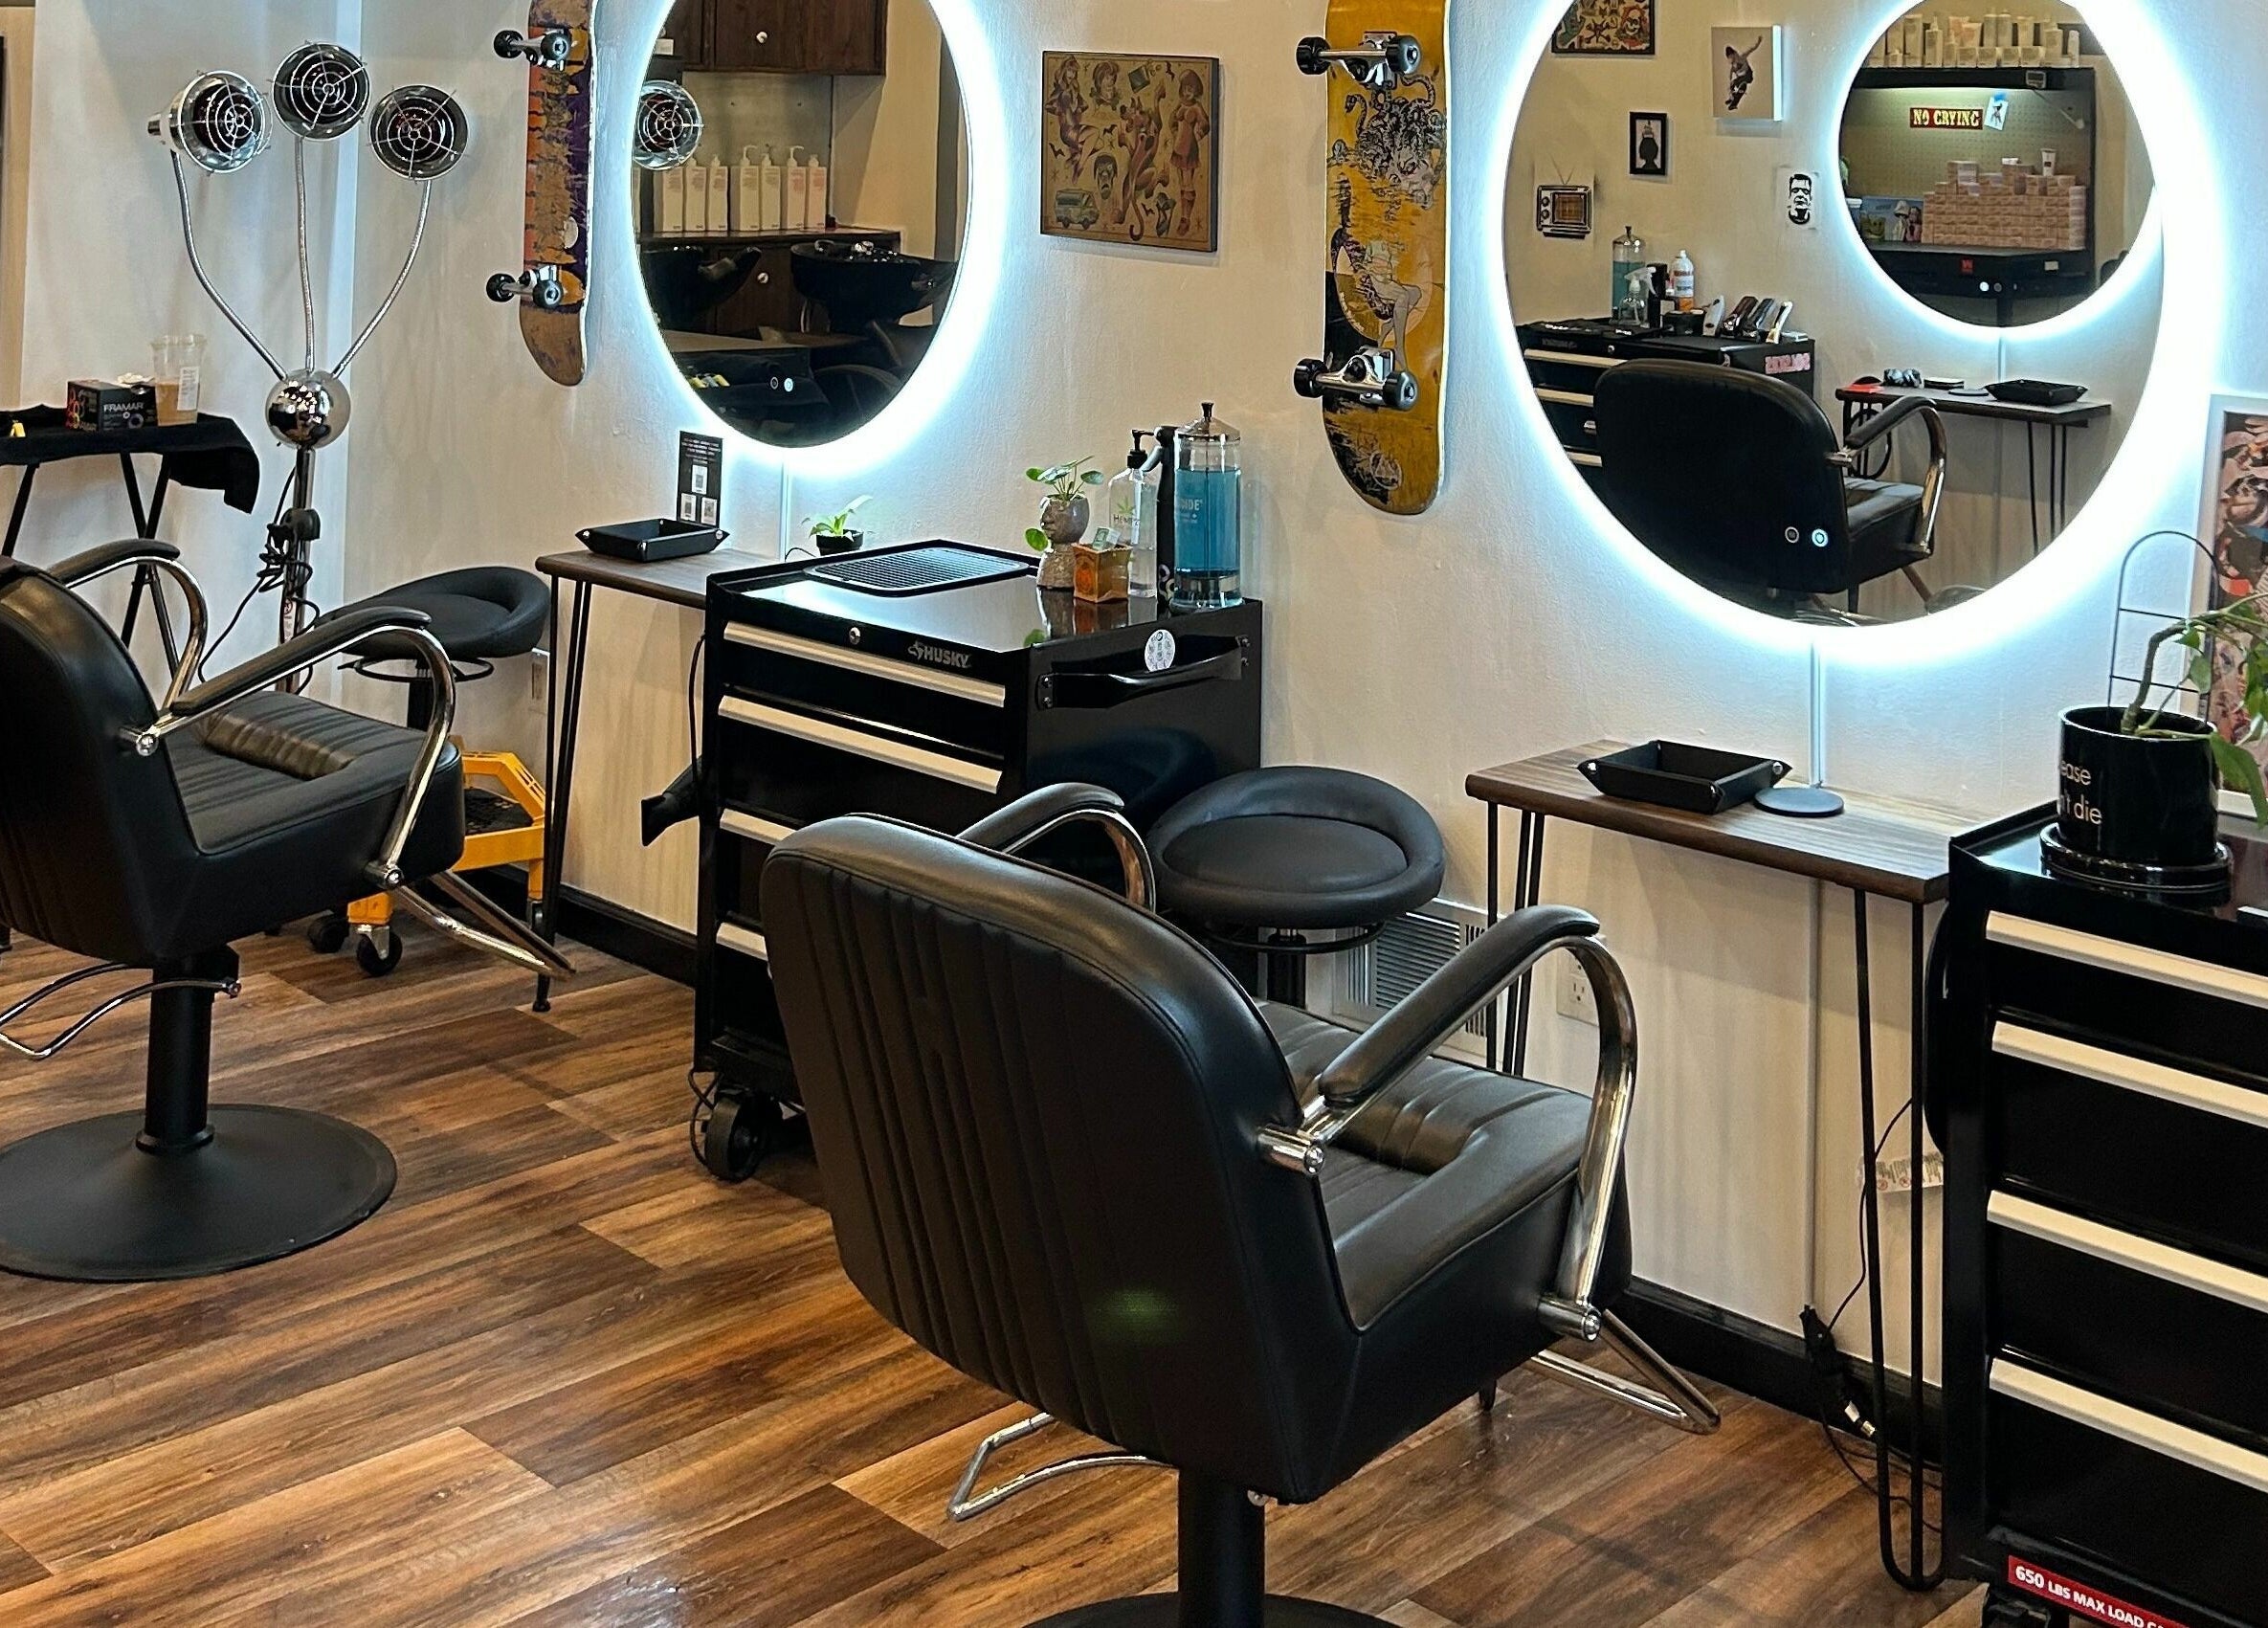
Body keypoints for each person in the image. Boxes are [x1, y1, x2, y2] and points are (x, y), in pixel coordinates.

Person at [1724, 35, 1763, 112]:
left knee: (1742, 84)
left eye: (1733, 56)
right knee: (1734, 84)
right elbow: (1731, 74)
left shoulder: (1742, 57)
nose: (1733, 59)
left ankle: (1734, 102)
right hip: (1741, 78)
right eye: (1731, 58)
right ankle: (1732, 100)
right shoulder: (1733, 65)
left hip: (1748, 75)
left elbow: (1751, 50)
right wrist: (1731, 84)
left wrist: (1758, 43)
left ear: (1735, 53)